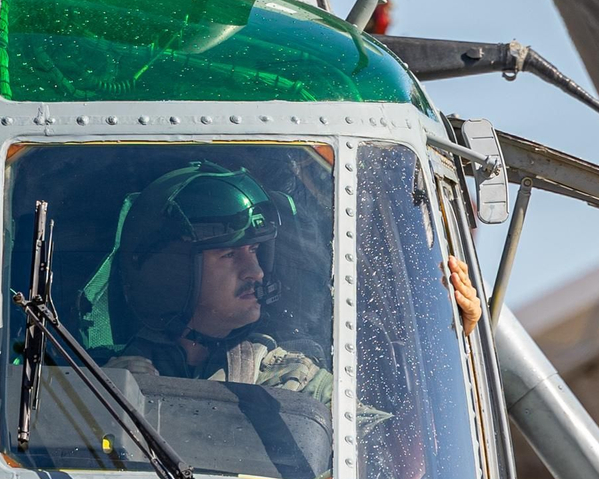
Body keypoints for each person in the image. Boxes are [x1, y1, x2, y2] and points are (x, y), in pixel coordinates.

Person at [105, 163, 482, 398]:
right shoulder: (95, 380)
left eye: (255, 251)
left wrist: (450, 341)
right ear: (169, 271)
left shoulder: (294, 379)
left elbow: (400, 472)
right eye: (229, 255)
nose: (255, 272)